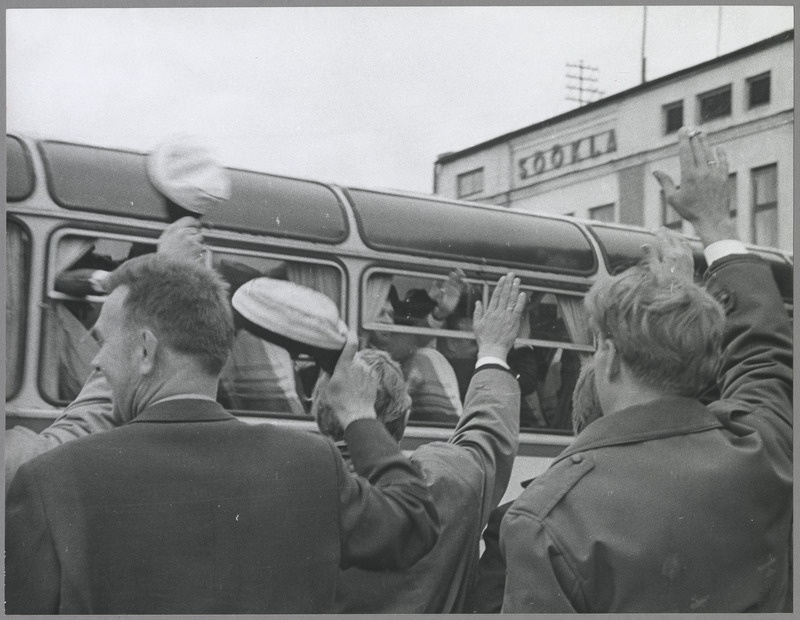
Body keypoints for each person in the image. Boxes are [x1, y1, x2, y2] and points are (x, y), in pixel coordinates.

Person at [5, 254, 439, 614]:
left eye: (103, 341)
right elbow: (414, 521)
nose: (95, 361)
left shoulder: (50, 481)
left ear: (146, 350)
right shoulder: (309, 464)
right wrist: (359, 413)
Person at [500, 127, 792, 613]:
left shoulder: (550, 517)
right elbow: (764, 351)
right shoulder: (762, 447)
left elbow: (762, 355)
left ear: (611, 357)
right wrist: (714, 222)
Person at [311, 272, 526, 613]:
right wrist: (493, 351)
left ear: (320, 411)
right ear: (404, 417)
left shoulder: (297, 488)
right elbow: (488, 433)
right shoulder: (444, 480)